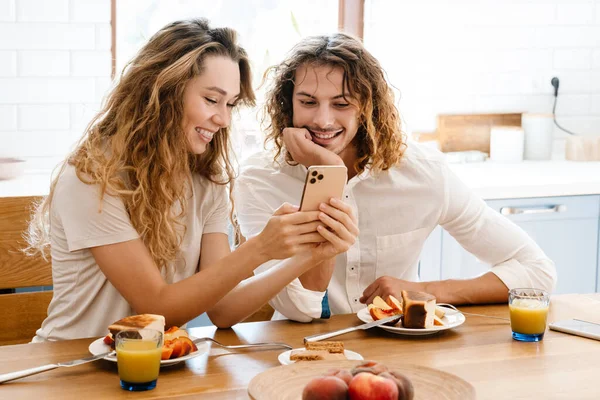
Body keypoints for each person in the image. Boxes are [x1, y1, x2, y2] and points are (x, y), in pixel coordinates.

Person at [26, 19, 358, 341]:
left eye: (230, 104)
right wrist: (260, 248)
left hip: (156, 370)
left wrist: (310, 253)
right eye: (211, 100)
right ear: (163, 91)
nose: (223, 118)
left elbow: (223, 310)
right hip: (71, 369)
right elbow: (156, 307)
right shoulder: (93, 177)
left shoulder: (206, 179)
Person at [234, 33, 556, 322]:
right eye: (308, 102)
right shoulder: (260, 179)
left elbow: (537, 272)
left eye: (342, 103)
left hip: (400, 352)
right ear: (287, 104)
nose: (323, 119)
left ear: (367, 107)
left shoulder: (423, 173)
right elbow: (302, 309)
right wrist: (329, 170)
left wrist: (424, 290)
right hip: (296, 354)